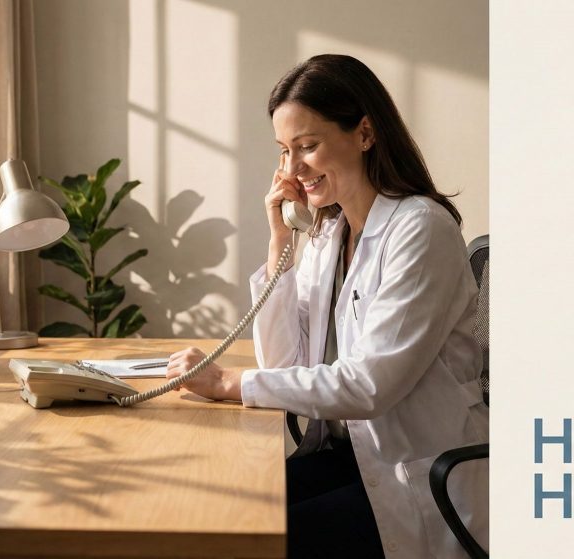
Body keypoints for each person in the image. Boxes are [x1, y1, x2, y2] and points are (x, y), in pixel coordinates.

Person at [166, 54, 488, 559]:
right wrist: (280, 241)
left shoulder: (420, 229)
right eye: (284, 151)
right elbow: (283, 367)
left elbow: (367, 387)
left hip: (414, 477)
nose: (293, 169)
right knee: (207, 515)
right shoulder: (327, 234)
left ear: (364, 133)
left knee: (242, 542)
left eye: (308, 147)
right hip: (351, 458)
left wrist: (228, 383)